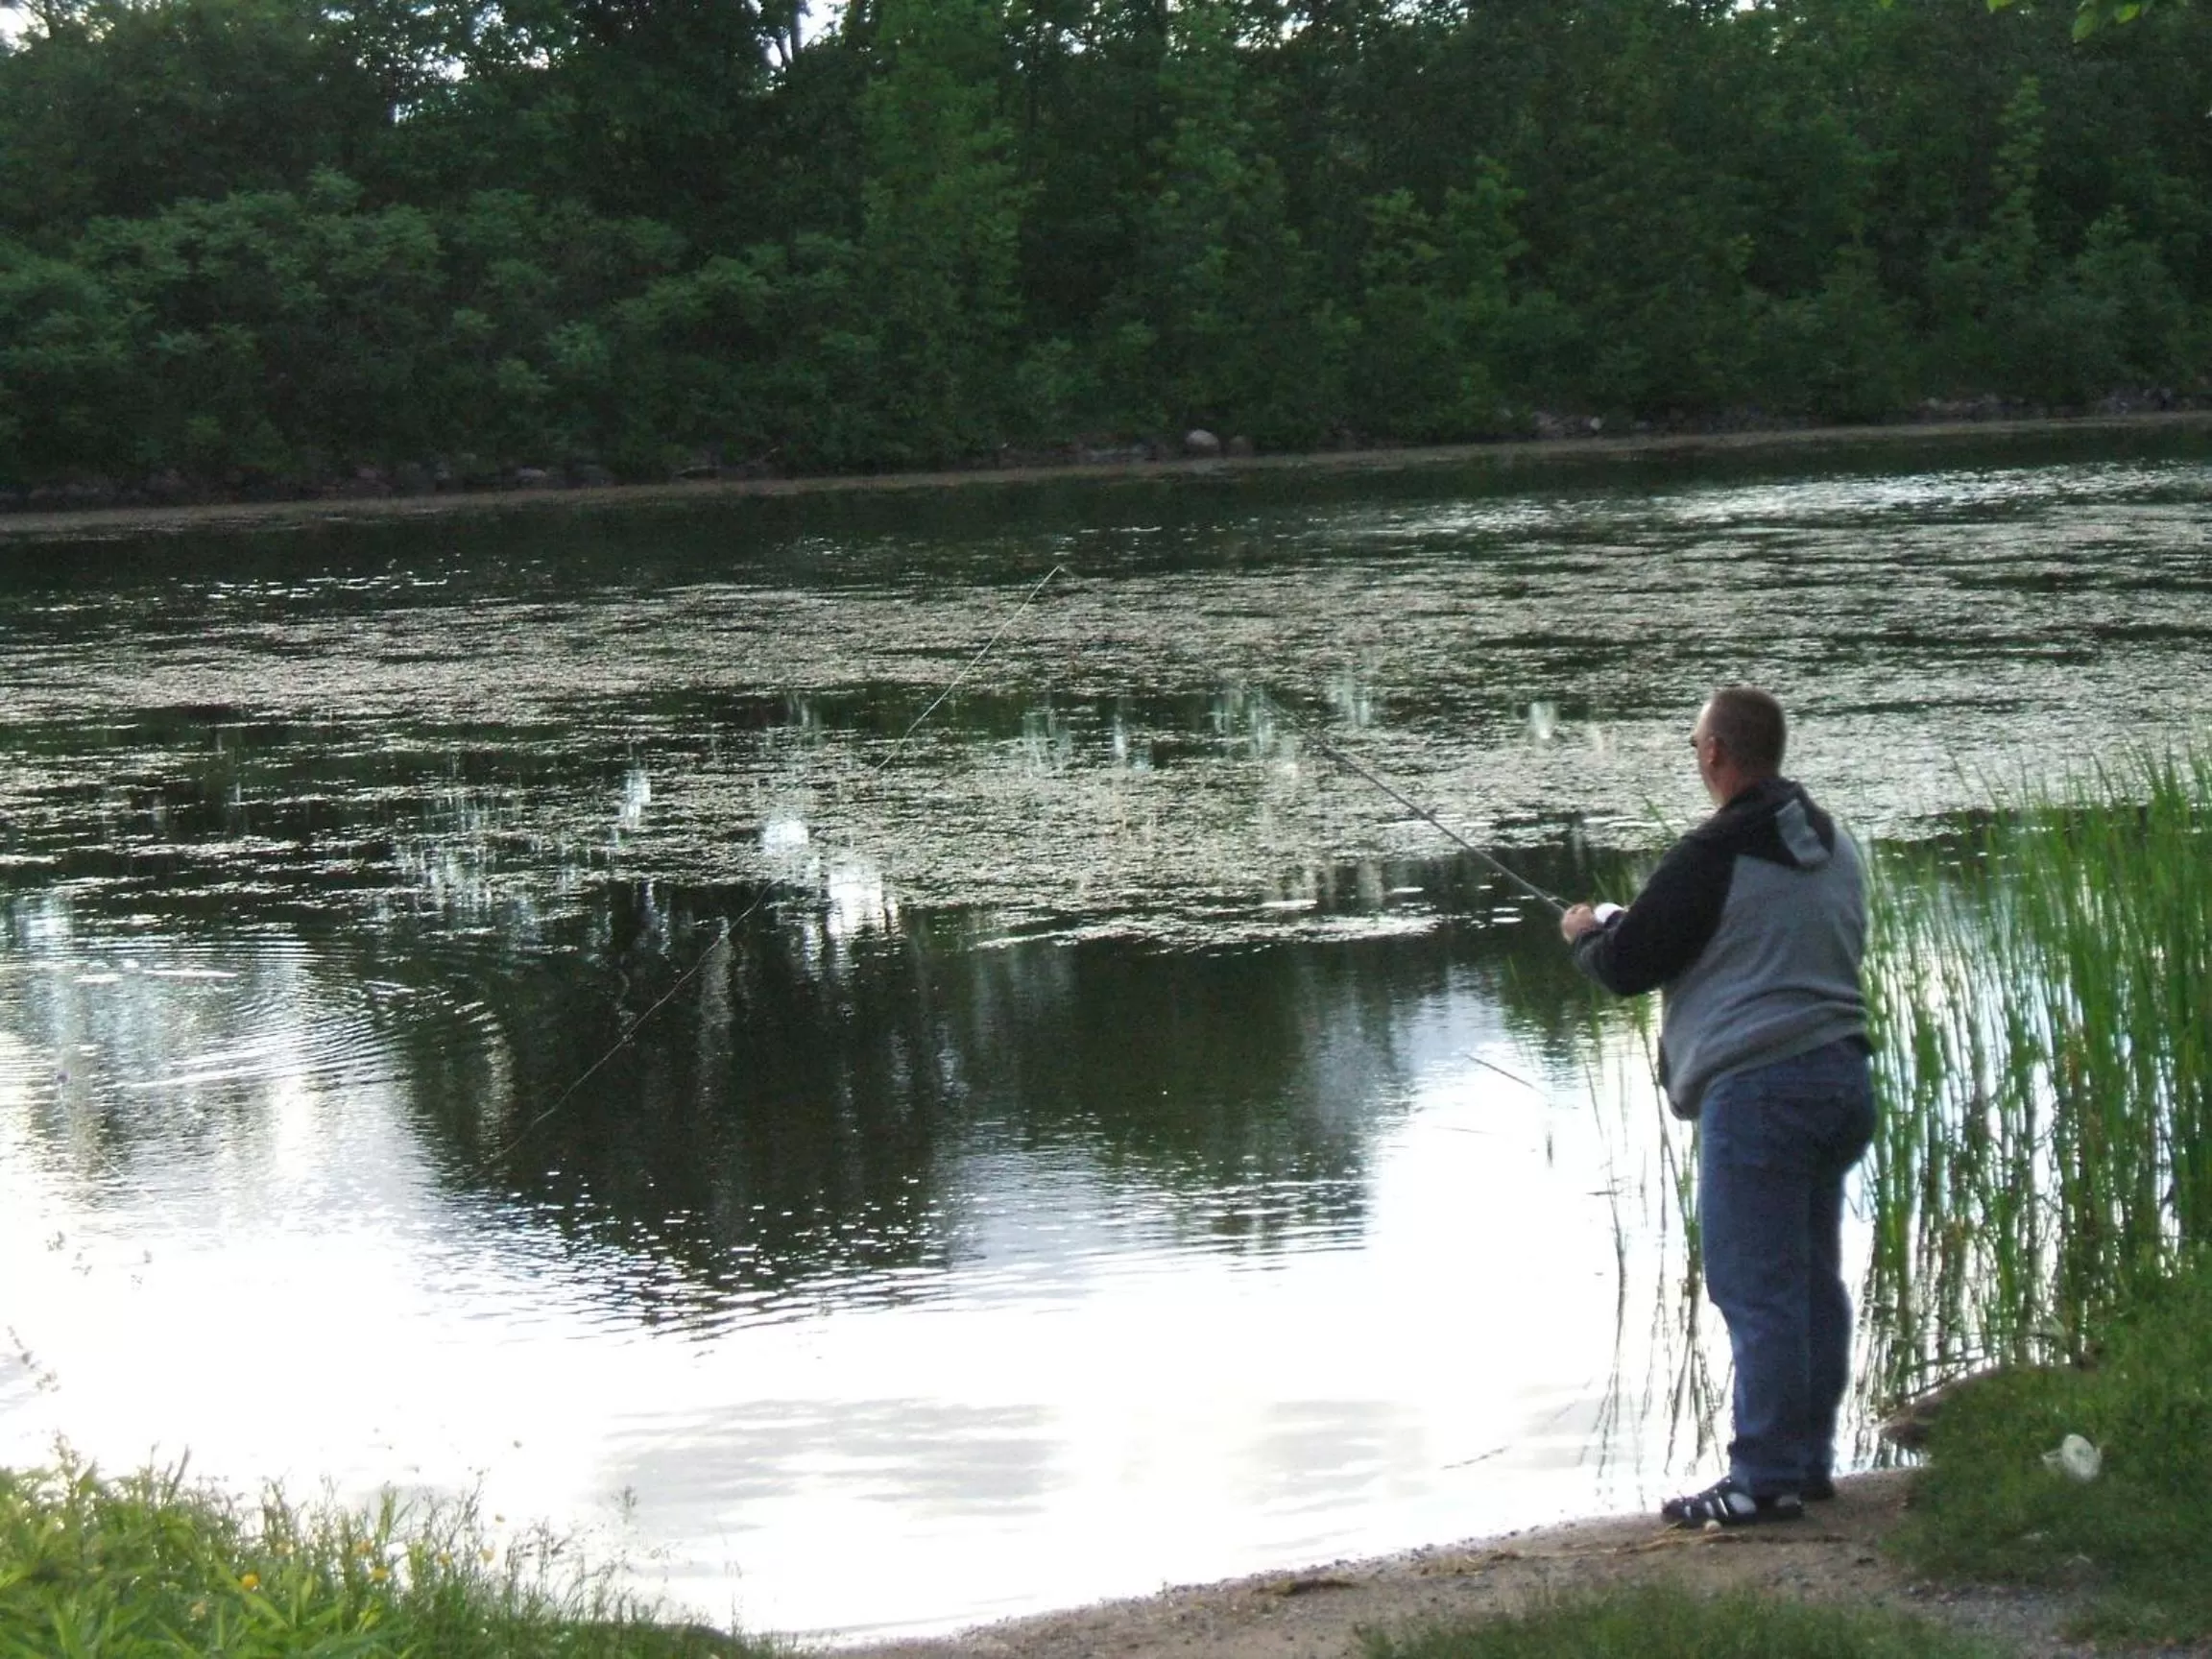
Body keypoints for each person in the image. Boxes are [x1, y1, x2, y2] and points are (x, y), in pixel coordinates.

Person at [1559, 686, 1872, 1528]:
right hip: (1842, 1078)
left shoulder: (1712, 851)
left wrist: (1588, 933)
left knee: (1756, 1286)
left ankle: (1763, 1477)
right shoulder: (1835, 841)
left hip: (1760, 1092)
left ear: (1716, 755)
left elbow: (1629, 964)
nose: (1695, 754)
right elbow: (1754, 938)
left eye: (1695, 742)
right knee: (1808, 1281)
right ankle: (1803, 1463)